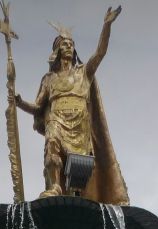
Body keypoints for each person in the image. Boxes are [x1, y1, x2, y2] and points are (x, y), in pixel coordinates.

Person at [15, 6, 130, 205]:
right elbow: (38, 108)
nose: (68, 46)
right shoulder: (49, 79)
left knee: (80, 167)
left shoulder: (84, 73)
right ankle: (55, 186)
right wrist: (19, 102)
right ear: (57, 50)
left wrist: (107, 25)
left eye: (71, 44)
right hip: (56, 119)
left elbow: (100, 53)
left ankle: (79, 192)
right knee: (52, 143)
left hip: (80, 123)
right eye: (64, 44)